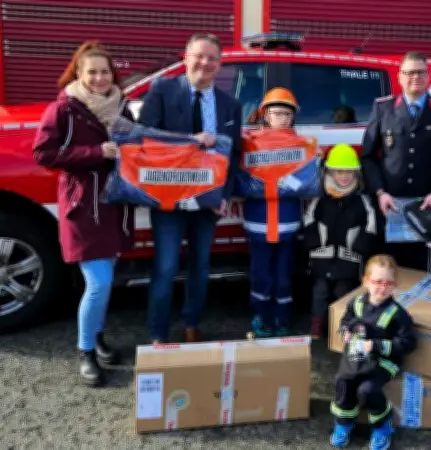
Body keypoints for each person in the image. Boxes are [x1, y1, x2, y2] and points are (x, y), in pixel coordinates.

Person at [32, 41, 135, 386]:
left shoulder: (122, 106)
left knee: (106, 282)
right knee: (99, 283)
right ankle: (86, 351)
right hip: (83, 208)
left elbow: (134, 145)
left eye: (105, 71)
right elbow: (44, 153)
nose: (99, 77)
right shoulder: (63, 108)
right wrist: (96, 152)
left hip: (115, 205)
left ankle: (99, 338)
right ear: (79, 74)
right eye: (92, 71)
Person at [138, 33, 243, 344]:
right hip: (169, 198)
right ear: (185, 57)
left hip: (207, 201)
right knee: (166, 266)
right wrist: (190, 142)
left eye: (212, 58)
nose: (205, 63)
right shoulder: (162, 90)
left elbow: (233, 154)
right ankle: (158, 332)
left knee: (200, 267)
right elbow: (145, 138)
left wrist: (223, 196)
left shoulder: (230, 105)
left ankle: (191, 323)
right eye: (199, 55)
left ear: (220, 64)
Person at [361, 51, 431, 271]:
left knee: (422, 267)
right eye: (409, 72)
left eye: (420, 72)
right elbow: (368, 157)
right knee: (387, 268)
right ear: (400, 77)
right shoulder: (382, 108)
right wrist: (379, 192)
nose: (415, 77)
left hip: (426, 205)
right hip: (390, 205)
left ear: (429, 76)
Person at [329, 255, 416, 450]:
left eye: (389, 283)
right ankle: (344, 423)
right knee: (343, 381)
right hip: (357, 357)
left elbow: (408, 343)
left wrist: (376, 346)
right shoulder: (357, 302)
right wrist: (345, 332)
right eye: (378, 282)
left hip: (384, 361)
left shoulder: (398, 314)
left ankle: (382, 426)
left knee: (367, 389)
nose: (383, 287)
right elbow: (346, 320)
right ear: (366, 281)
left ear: (396, 285)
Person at [243, 87, 305, 337]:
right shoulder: (251, 144)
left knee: (284, 275)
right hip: (258, 223)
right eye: (277, 113)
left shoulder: (301, 146)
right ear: (264, 115)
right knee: (260, 274)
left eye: (287, 114)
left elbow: (307, 183)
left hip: (287, 223)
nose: (282, 118)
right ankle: (261, 316)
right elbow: (243, 181)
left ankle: (283, 318)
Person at [303, 143, 378, 339]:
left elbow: (370, 226)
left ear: (356, 174)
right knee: (319, 291)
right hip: (322, 258)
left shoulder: (362, 201)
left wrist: (361, 247)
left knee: (344, 292)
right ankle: (317, 323)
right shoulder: (319, 200)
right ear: (330, 172)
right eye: (339, 172)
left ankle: (343, 326)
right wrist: (313, 244)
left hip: (349, 259)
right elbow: (309, 221)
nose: (344, 176)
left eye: (349, 172)